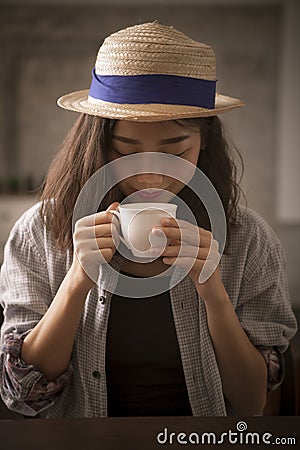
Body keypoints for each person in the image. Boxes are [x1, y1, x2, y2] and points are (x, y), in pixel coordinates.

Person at [0, 21, 297, 418]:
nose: (152, 175)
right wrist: (75, 283)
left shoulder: (248, 238)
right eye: (125, 151)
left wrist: (213, 294)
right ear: (97, 144)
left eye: (175, 151)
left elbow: (252, 401)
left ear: (204, 140)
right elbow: (23, 397)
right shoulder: (39, 232)